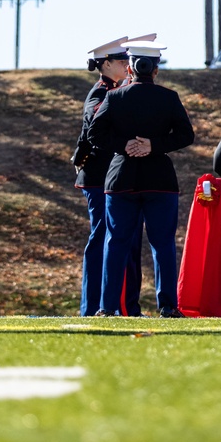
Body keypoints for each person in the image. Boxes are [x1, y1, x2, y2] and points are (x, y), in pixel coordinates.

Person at [88, 39, 193, 317]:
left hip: (121, 179)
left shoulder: (113, 97)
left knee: (116, 243)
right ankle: (168, 305)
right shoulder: (169, 98)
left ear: (131, 69)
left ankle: (107, 307)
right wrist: (153, 146)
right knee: (163, 244)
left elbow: (94, 134)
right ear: (155, 70)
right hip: (160, 180)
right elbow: (185, 135)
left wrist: (125, 145)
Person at [72, 37, 150, 317]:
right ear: (105, 65)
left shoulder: (120, 90)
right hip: (98, 178)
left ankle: (127, 306)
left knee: (126, 241)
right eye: (121, 61)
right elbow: (96, 130)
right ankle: (93, 307)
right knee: (103, 237)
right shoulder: (100, 94)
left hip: (118, 178)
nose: (128, 66)